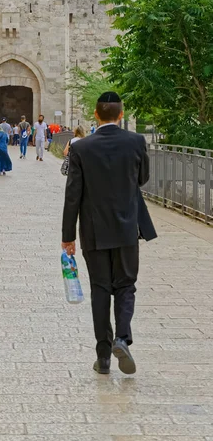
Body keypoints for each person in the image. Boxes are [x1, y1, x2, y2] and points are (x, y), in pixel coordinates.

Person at [62, 92, 157, 376]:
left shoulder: (82, 148)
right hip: (127, 227)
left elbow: (72, 196)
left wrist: (68, 236)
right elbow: (142, 179)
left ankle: (103, 356)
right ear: (121, 114)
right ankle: (122, 338)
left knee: (100, 290)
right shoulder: (136, 142)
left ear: (96, 114)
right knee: (126, 285)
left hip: (93, 231)